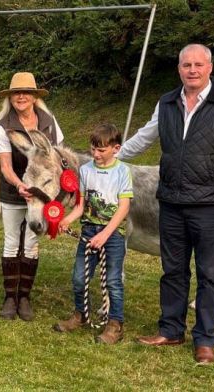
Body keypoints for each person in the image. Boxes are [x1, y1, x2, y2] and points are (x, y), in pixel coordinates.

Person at [117, 44, 214, 364]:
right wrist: (110, 160)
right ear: (179, 69)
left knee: (208, 274)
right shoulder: (167, 102)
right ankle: (170, 330)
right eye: (186, 65)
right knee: (173, 271)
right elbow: (144, 137)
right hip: (171, 200)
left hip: (212, 203)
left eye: (198, 64)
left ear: (209, 67)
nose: (192, 70)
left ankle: (205, 340)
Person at [0, 72, 64, 321]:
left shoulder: (49, 121)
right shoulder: (3, 126)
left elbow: (58, 157)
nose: (21, 96)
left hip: (42, 194)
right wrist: (19, 185)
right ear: (10, 97)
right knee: (12, 241)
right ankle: (9, 298)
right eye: (16, 93)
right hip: (14, 191)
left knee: (32, 243)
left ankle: (25, 298)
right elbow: (5, 166)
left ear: (34, 96)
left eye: (26, 92)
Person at [53, 124, 133, 344]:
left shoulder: (122, 172)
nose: (96, 154)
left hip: (112, 234)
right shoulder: (86, 171)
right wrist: (67, 219)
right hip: (89, 231)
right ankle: (80, 315)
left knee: (113, 282)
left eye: (101, 150)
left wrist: (105, 235)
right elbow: (81, 205)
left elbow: (123, 208)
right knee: (79, 278)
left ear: (116, 148)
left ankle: (115, 325)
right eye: (93, 149)